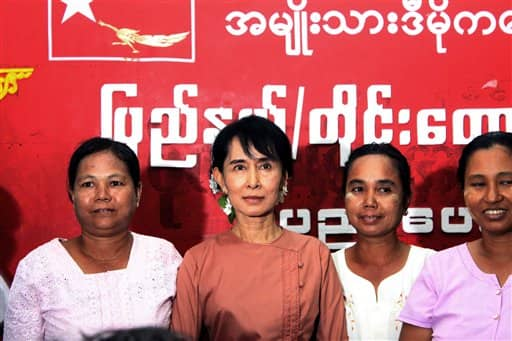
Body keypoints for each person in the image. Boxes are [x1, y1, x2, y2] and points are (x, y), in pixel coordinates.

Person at [170, 115, 346, 340]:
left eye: (265, 166)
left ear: (284, 177)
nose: (253, 181)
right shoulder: (198, 261)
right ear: (220, 178)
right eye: (240, 167)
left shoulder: (314, 254)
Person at [4, 137, 182, 341]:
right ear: (72, 194)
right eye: (88, 184)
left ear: (138, 192)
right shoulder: (37, 268)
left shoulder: (163, 256)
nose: (102, 195)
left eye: (115, 183)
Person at [399, 131, 512, 340]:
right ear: (463, 191)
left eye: (506, 181)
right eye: (478, 184)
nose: (493, 196)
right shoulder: (440, 269)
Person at [331, 143, 435, 340]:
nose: (370, 201)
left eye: (384, 190)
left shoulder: (433, 267)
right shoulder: (326, 270)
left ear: (406, 199)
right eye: (358, 189)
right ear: (343, 199)